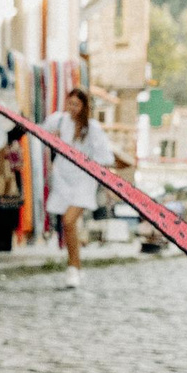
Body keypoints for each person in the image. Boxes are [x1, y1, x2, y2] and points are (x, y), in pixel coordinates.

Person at [43, 86, 122, 289]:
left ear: (84, 106)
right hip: (62, 176)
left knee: (69, 221)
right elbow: (40, 133)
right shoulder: (58, 120)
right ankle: (74, 265)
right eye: (70, 103)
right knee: (67, 223)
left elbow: (104, 156)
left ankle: (74, 268)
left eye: (77, 104)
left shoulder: (92, 127)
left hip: (83, 179)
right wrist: (53, 136)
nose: (72, 108)